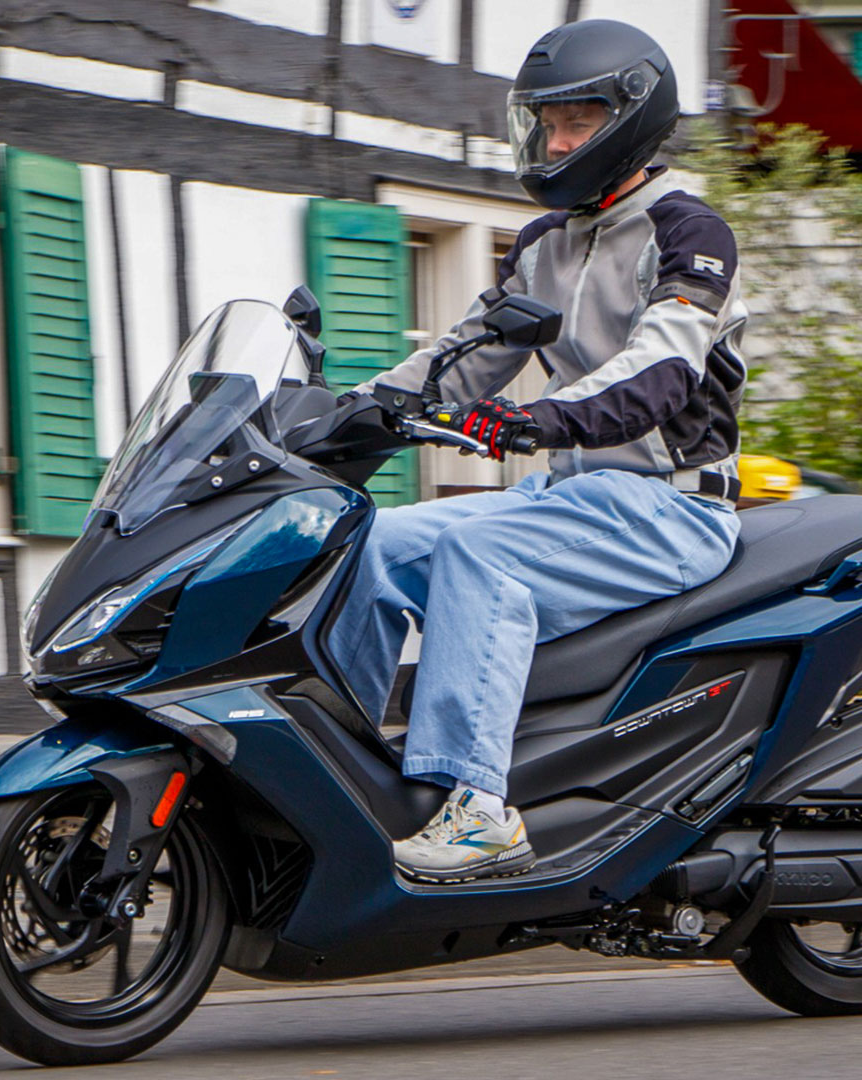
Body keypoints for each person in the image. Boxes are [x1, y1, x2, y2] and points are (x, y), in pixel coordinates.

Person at [327, 19, 750, 882]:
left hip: (672, 507)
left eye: (576, 123)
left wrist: (537, 420)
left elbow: (660, 369)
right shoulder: (542, 244)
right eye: (548, 124)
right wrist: (341, 414)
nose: (555, 143)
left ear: (630, 120)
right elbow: (462, 356)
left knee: (481, 556)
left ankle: (478, 810)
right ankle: (342, 770)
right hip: (568, 500)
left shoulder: (689, 233)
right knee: (365, 542)